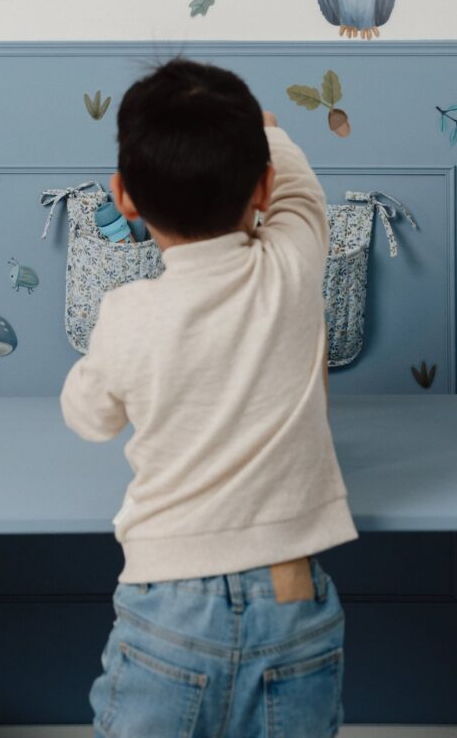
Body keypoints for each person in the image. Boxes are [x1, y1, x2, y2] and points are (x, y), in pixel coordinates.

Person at [60, 58, 357, 737]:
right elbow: (302, 192)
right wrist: (269, 134)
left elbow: (89, 418)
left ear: (124, 197)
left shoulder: (128, 314)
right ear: (263, 187)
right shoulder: (291, 267)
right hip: (291, 599)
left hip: (169, 606)